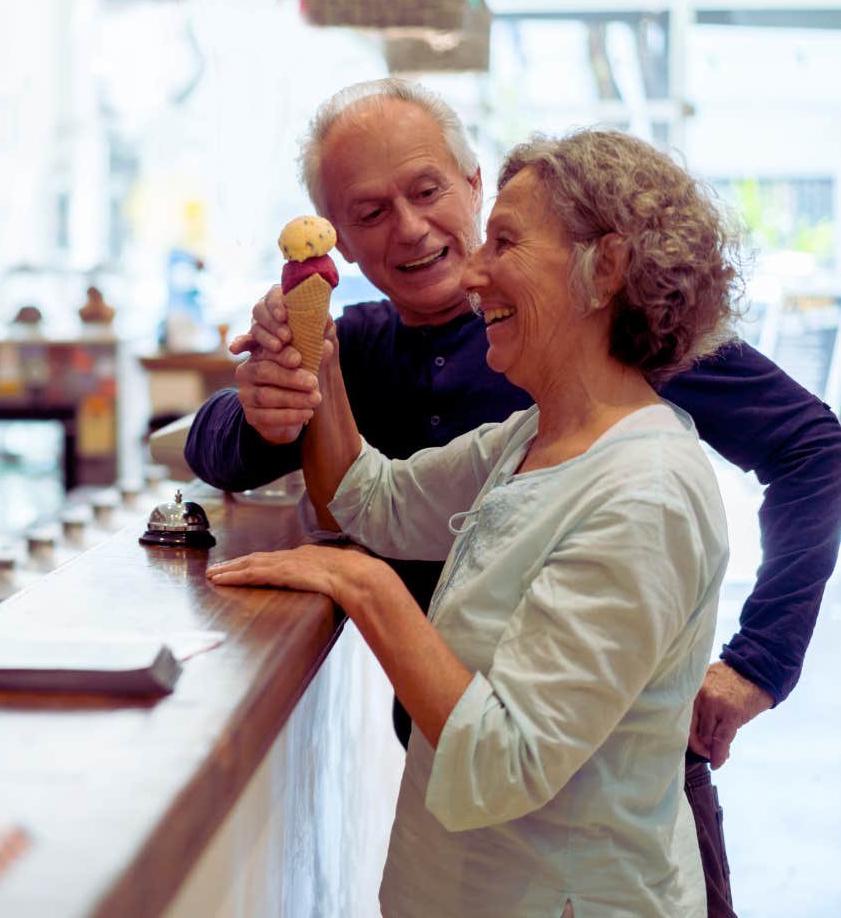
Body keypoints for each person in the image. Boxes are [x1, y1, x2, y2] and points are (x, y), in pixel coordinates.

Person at [186, 79, 841, 916]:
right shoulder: (521, 429)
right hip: (475, 842)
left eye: (441, 200)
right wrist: (296, 368)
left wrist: (759, 663)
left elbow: (506, 759)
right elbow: (366, 497)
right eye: (372, 211)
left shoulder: (639, 460)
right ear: (342, 242)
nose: (472, 269)